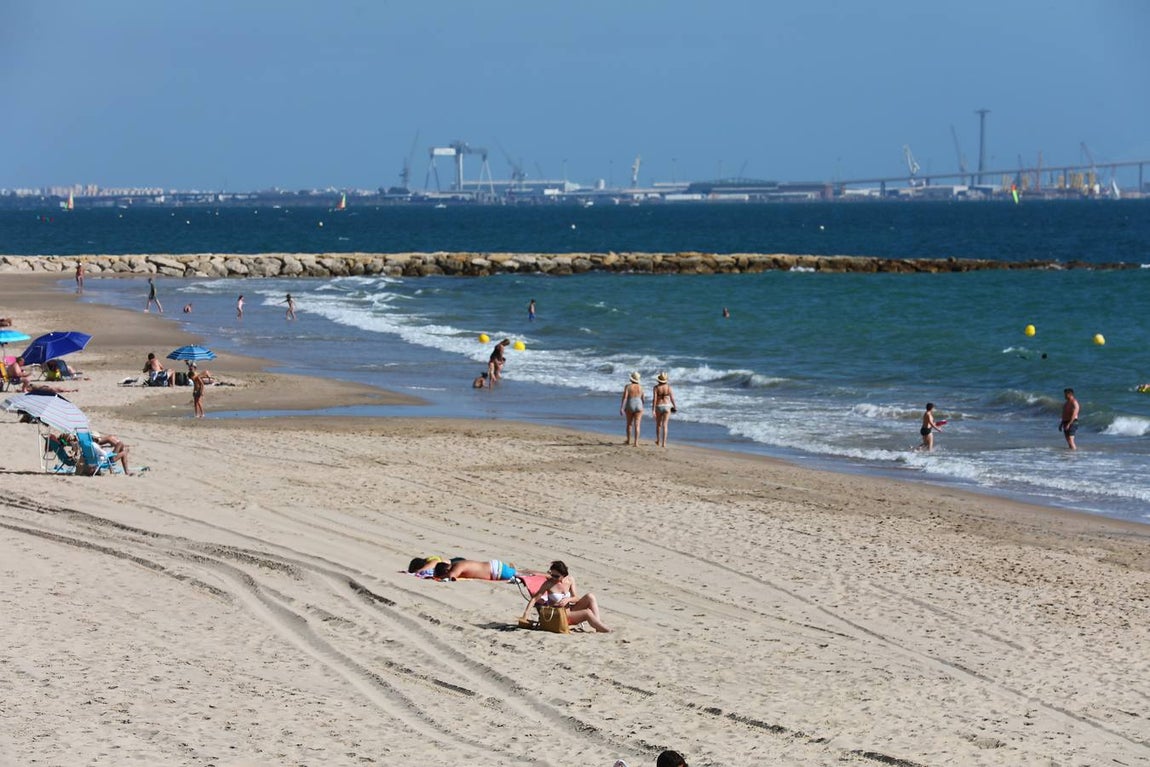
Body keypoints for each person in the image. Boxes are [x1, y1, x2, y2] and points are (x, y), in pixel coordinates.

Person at [521, 560, 610, 633]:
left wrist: (568, 599)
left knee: (590, 596)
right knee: (587, 612)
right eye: (552, 574)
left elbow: (576, 598)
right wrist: (525, 615)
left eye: (556, 576)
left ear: (564, 575)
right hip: (559, 615)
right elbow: (534, 599)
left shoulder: (570, 580)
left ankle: (598, 625)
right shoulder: (548, 584)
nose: (553, 577)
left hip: (569, 611)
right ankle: (605, 630)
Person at [651, 371, 678, 448]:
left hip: (659, 406)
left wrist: (653, 410)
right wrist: (675, 406)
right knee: (665, 425)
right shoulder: (668, 387)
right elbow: (672, 398)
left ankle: (658, 441)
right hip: (667, 406)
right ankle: (664, 443)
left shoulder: (656, 387)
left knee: (658, 425)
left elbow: (655, 399)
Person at [432, 558, 518, 581]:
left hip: (496, 571)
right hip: (494, 566)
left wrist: (442, 578)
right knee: (514, 572)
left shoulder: (457, 567)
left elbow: (452, 576)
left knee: (519, 574)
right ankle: (512, 569)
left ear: (446, 571)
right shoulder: (457, 563)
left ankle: (530, 572)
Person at [620, 371, 645, 446]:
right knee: (637, 425)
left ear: (631, 379)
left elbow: (625, 398)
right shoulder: (641, 387)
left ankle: (628, 440)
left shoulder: (627, 386)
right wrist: (642, 405)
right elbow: (643, 398)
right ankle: (636, 442)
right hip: (639, 405)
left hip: (630, 404)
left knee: (629, 424)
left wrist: (622, 408)